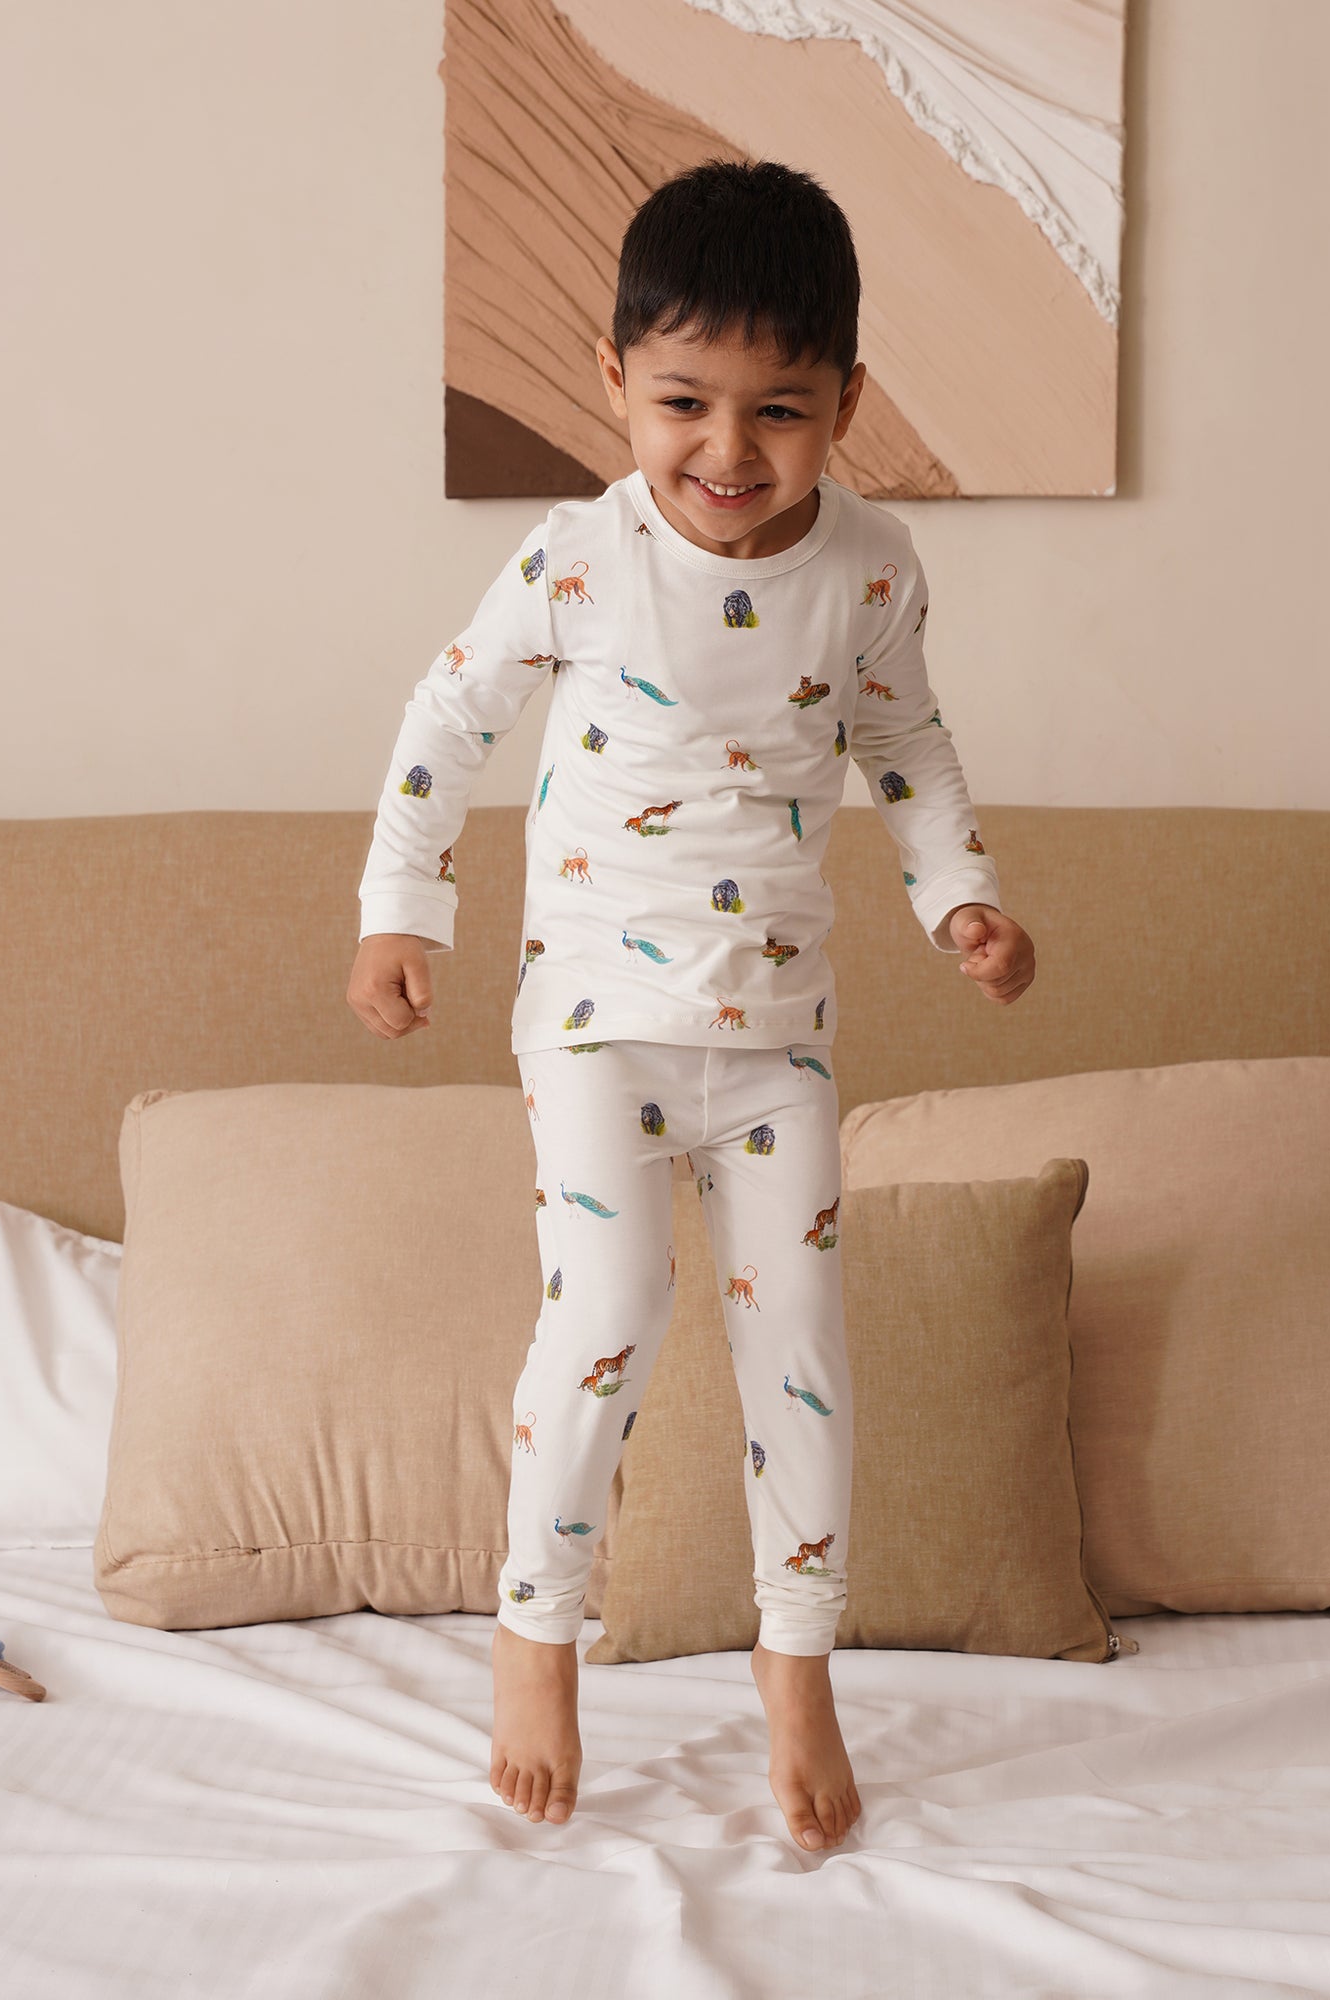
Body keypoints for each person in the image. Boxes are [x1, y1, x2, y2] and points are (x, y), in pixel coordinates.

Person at [347, 159, 1036, 1852]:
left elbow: (908, 746)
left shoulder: (871, 572)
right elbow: (446, 724)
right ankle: (536, 1633)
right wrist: (400, 912)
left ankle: (796, 1666)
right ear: (615, 384)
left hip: (777, 1039)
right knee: (613, 1308)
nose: (727, 453)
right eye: (684, 405)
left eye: (779, 413)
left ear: (846, 405)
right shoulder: (578, 560)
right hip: (590, 1012)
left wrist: (959, 895)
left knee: (801, 1346)